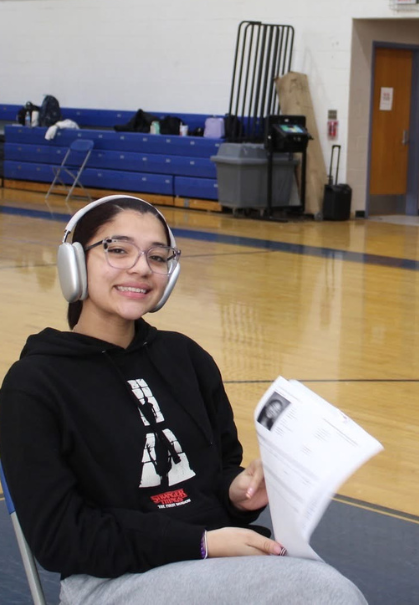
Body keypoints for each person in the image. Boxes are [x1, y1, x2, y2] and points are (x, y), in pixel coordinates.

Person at [0, 195, 367, 605]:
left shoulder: (186, 358)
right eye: (117, 250)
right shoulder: (33, 385)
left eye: (157, 257)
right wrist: (201, 543)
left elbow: (216, 472)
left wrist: (236, 491)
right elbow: (60, 540)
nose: (141, 267)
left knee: (320, 588)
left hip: (214, 559)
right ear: (73, 263)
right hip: (112, 580)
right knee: (324, 593)